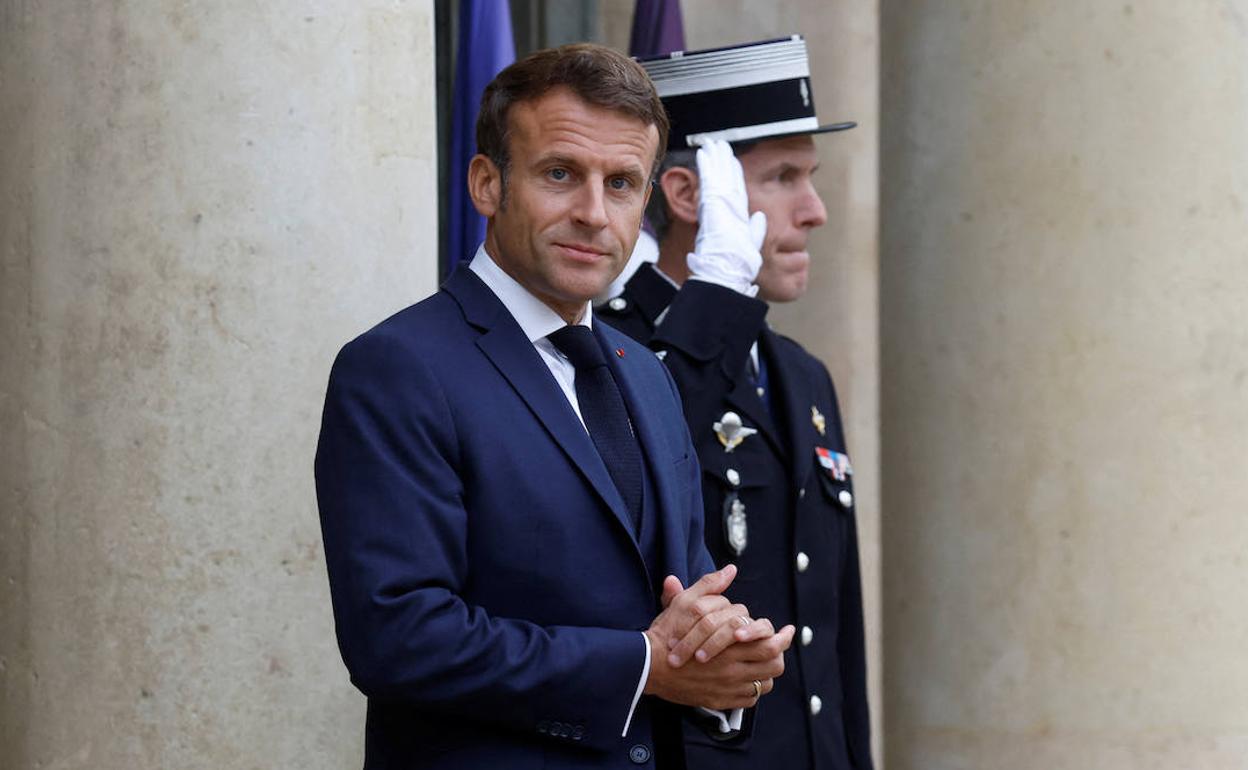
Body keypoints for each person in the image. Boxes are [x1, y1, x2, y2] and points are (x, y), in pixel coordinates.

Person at [314, 43, 795, 770]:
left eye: (621, 183)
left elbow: (681, 605)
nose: (594, 214)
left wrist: (723, 661)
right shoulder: (398, 367)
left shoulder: (644, 373)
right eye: (561, 174)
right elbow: (399, 637)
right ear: (487, 183)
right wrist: (642, 666)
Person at [598, 36, 873, 770]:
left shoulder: (801, 374)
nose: (814, 211)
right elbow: (635, 466)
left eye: (811, 177)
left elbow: (834, 634)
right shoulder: (608, 350)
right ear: (688, 196)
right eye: (782, 178)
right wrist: (716, 296)